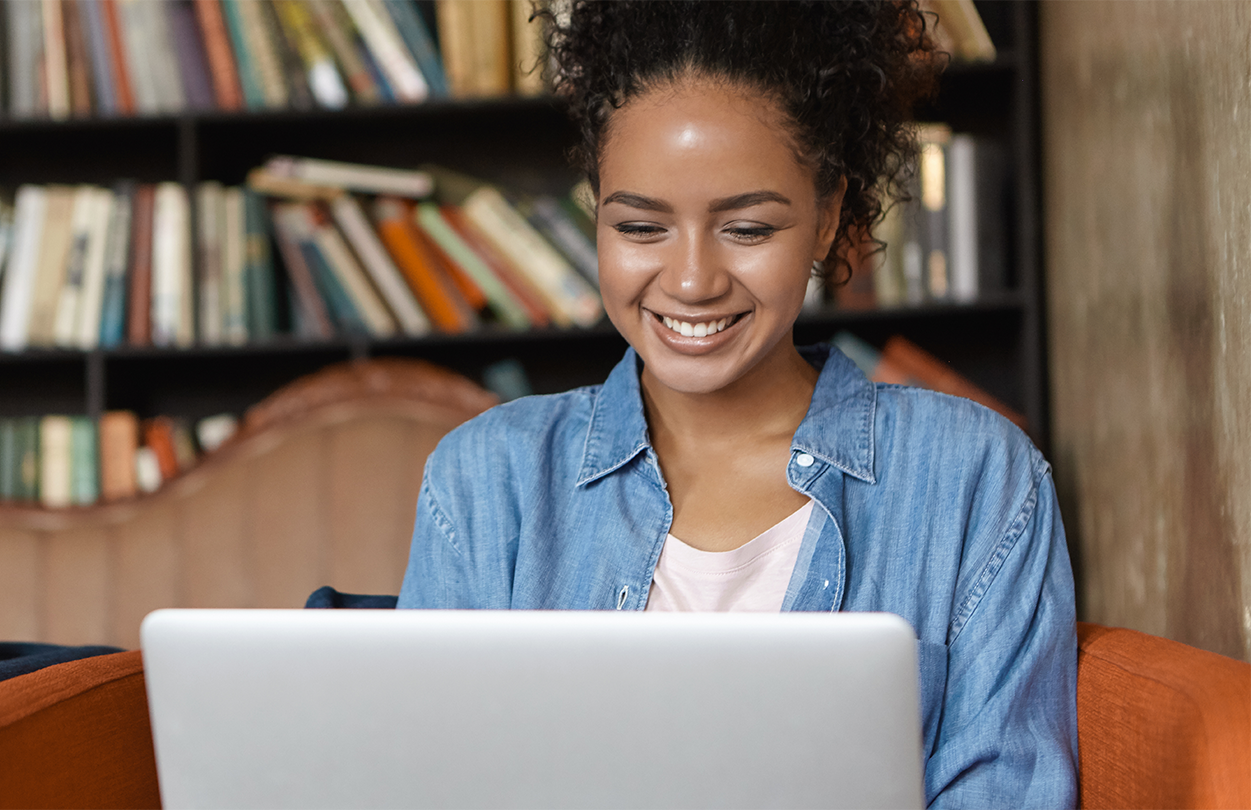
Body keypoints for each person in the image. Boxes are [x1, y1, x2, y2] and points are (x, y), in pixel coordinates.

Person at [397, 1, 1078, 807]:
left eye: (748, 229)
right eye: (642, 227)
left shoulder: (974, 479)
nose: (691, 281)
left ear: (828, 218)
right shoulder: (486, 481)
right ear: (597, 216)